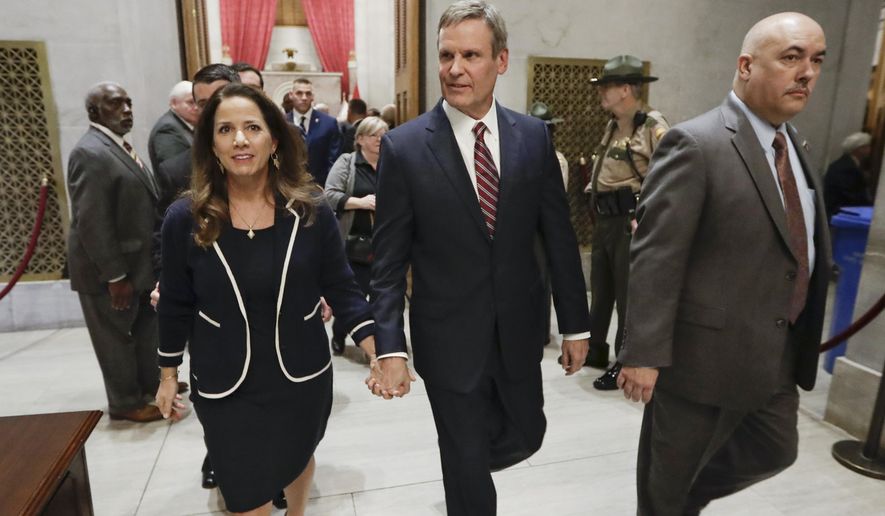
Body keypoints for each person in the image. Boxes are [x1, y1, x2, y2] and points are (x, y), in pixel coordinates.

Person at [369, 2, 591, 514]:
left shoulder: (533, 138)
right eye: (446, 55)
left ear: (501, 61)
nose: (455, 68)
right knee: (466, 464)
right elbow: (388, 263)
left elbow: (559, 238)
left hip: (519, 329)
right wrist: (390, 347)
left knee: (528, 433)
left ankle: (470, 459)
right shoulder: (404, 148)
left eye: (470, 55)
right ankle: (466, 473)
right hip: (446, 337)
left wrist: (575, 326)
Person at [617, 12, 830, 515]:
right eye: (791, 57)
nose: (807, 73)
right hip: (699, 361)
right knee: (667, 484)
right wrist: (643, 353)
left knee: (776, 449)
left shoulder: (793, 144)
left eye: (817, 60)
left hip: (774, 351)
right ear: (746, 66)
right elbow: (657, 256)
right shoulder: (696, 143)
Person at [154, 83, 378, 515]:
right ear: (212, 145)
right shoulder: (186, 217)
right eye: (225, 130)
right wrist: (167, 374)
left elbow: (342, 286)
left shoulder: (310, 208)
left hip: (300, 373)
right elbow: (175, 302)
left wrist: (377, 351)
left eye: (252, 127)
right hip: (224, 378)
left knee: (297, 456)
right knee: (244, 492)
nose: (239, 139)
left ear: (273, 140)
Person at [67, 82, 168, 422]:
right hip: (107, 271)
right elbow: (91, 221)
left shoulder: (117, 146)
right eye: (115, 103)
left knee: (142, 331)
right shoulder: (89, 152)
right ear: (94, 111)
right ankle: (125, 403)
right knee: (115, 338)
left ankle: (148, 386)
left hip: (137, 263)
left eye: (128, 102)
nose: (126, 109)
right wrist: (115, 276)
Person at [582, 55, 669, 390]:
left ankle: (625, 361)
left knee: (627, 296)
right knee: (601, 289)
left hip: (629, 222)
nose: (601, 93)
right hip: (605, 220)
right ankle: (595, 349)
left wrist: (647, 219)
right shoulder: (613, 125)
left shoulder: (652, 126)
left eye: (607, 87)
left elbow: (670, 178)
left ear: (626, 89)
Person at [324, 116, 389, 354]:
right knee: (355, 296)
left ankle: (380, 343)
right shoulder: (347, 162)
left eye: (384, 134)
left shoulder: (392, 162)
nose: (380, 139)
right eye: (374, 135)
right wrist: (361, 202)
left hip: (386, 242)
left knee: (383, 299)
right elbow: (330, 195)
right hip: (354, 242)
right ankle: (340, 333)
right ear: (360, 139)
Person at [285, 78, 341, 186]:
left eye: (308, 93)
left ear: (313, 97)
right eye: (299, 93)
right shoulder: (280, 122)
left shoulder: (329, 123)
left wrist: (328, 187)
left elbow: (333, 161)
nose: (304, 98)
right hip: (288, 186)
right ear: (291, 95)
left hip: (319, 187)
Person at [148, 80, 199, 173]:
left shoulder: (188, 124)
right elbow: (177, 171)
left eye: (198, 102)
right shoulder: (166, 130)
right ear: (174, 103)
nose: (196, 107)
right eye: (191, 102)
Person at [823, 131, 873, 218]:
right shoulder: (847, 168)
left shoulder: (844, 164)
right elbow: (850, 195)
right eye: (867, 146)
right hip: (841, 214)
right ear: (858, 149)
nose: (869, 149)